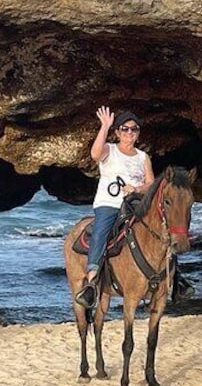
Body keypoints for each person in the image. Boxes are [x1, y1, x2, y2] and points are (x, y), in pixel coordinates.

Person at [75, 106, 194, 308]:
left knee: (164, 230)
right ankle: (93, 280)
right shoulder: (109, 150)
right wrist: (104, 126)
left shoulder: (142, 156)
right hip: (109, 203)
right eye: (125, 129)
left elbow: (150, 182)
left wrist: (137, 188)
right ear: (118, 132)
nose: (130, 133)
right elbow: (95, 154)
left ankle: (176, 278)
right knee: (101, 232)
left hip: (136, 202)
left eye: (134, 129)